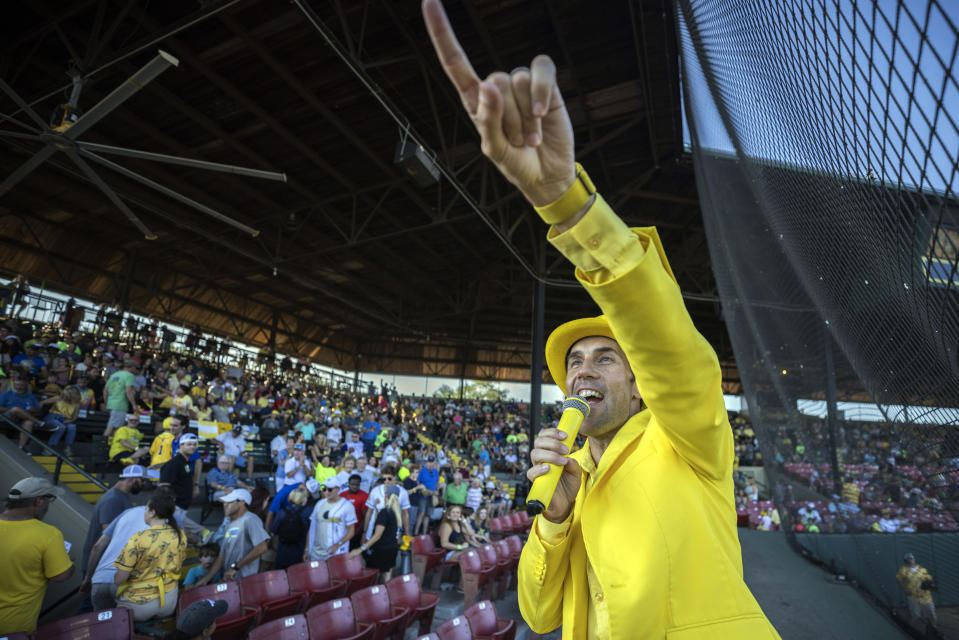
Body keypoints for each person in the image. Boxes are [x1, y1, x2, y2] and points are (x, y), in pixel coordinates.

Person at [421, 1, 779, 637]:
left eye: (605, 357)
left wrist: (567, 204)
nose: (583, 369)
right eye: (575, 362)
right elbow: (537, 612)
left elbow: (671, 346)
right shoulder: (570, 478)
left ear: (640, 383)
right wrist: (555, 519)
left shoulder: (688, 440)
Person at [82, 487, 185, 611]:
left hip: (100, 580)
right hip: (128, 584)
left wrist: (88, 577)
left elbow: (98, 546)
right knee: (129, 626)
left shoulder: (128, 512)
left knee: (103, 627)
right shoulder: (170, 522)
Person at [0, 477, 73, 635]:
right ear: (39, 501)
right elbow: (60, 576)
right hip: (13, 629)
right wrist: (68, 563)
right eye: (49, 499)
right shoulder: (49, 534)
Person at [113, 492, 187, 621]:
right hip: (168, 602)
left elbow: (119, 579)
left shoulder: (138, 538)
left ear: (152, 512)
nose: (145, 512)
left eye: (146, 509)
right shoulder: (180, 534)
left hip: (140, 605)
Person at [81, 465, 146, 579]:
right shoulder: (113, 499)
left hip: (105, 566)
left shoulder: (120, 497)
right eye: (142, 480)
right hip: (100, 567)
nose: (144, 484)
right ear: (132, 478)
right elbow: (109, 535)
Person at [195, 489, 270, 585]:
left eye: (230, 501)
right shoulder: (228, 525)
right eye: (225, 502)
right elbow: (222, 556)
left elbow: (262, 547)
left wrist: (235, 567)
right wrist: (205, 579)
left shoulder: (250, 519)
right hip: (231, 581)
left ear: (242, 502)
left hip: (246, 582)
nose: (225, 504)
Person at [352, 484, 402, 583]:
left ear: (386, 496)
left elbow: (377, 536)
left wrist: (360, 549)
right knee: (387, 575)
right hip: (392, 548)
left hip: (381, 550)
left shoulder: (385, 512)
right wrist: (375, 508)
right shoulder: (396, 513)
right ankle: (387, 596)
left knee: (374, 577)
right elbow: (381, 524)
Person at [306, 483, 357, 562]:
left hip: (336, 553)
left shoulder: (347, 506)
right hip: (316, 553)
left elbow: (351, 531)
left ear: (338, 489)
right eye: (324, 489)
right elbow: (312, 528)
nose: (326, 492)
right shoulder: (319, 504)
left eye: (330, 489)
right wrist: (307, 549)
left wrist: (338, 545)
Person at [363, 465, 410, 543]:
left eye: (389, 478)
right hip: (374, 531)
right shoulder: (375, 491)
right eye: (384, 479)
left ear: (394, 477)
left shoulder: (403, 492)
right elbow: (369, 512)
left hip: (394, 533)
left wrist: (407, 533)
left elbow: (405, 514)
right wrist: (364, 532)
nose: (386, 481)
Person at [896, 553, 938, 633]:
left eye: (911, 558)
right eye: (908, 559)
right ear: (905, 560)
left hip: (925, 596)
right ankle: (909, 629)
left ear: (914, 559)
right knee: (914, 615)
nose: (910, 560)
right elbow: (899, 579)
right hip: (913, 596)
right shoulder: (903, 570)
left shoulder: (922, 570)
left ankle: (934, 630)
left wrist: (930, 583)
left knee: (932, 614)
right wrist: (905, 589)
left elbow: (929, 579)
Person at [0, 377, 44, 452]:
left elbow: (37, 410)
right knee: (15, 409)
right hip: (8, 416)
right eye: (17, 385)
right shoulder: (7, 394)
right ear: (14, 385)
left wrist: (32, 409)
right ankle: (39, 422)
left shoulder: (30, 396)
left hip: (23, 418)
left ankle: (20, 448)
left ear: (26, 385)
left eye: (21, 385)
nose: (19, 387)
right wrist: (12, 409)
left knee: (29, 423)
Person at [274, 487, 313, 569]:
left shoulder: (282, 512)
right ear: (303, 498)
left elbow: (274, 530)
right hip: (301, 552)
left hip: (282, 553)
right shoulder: (309, 511)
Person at [160, 433, 200, 511]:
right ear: (180, 446)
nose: (192, 447)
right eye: (189, 444)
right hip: (174, 508)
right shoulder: (174, 463)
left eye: (194, 444)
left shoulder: (185, 462)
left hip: (183, 507)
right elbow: (164, 486)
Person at [103, 358, 138, 439]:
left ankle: (110, 446)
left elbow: (105, 390)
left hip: (111, 404)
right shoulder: (130, 375)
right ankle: (101, 445)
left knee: (115, 428)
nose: (135, 370)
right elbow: (128, 391)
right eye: (135, 368)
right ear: (131, 367)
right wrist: (134, 405)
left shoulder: (114, 375)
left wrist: (106, 402)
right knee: (111, 427)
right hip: (120, 404)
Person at [340, 474, 369, 550]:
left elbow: (365, 517)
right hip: (342, 532)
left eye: (357, 485)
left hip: (356, 533)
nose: (355, 487)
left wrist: (357, 532)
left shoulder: (364, 496)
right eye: (353, 484)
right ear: (348, 484)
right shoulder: (342, 495)